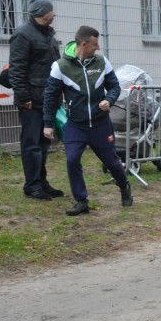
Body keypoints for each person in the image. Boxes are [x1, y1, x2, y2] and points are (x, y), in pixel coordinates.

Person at [42, 25, 132, 217]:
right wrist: (48, 124)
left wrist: (109, 100)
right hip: (76, 125)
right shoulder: (60, 67)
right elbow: (50, 96)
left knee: (112, 163)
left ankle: (124, 185)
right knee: (72, 159)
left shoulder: (101, 62)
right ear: (83, 44)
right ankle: (81, 200)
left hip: (100, 124)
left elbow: (115, 87)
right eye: (94, 44)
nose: (97, 48)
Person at [8, 0, 62, 201]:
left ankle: (42, 182)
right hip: (31, 100)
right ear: (43, 13)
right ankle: (32, 185)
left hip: (47, 98)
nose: (54, 14)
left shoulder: (48, 34)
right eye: (51, 10)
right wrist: (23, 97)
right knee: (31, 144)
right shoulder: (23, 35)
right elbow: (17, 68)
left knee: (43, 143)